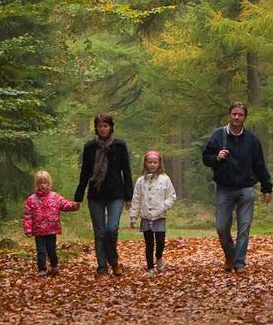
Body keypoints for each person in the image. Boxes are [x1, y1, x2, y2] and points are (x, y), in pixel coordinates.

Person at [201, 101, 272, 273]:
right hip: (224, 188)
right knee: (221, 227)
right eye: (234, 114)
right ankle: (230, 254)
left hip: (246, 188)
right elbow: (205, 158)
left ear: (245, 117)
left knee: (244, 227)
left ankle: (239, 263)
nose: (237, 117)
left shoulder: (252, 139)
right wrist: (216, 157)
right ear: (229, 115)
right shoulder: (218, 136)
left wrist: (267, 187)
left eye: (240, 115)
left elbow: (260, 164)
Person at [74, 113, 133, 275]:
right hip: (96, 193)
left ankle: (113, 261)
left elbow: (126, 172)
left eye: (105, 126)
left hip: (116, 193)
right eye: (100, 126)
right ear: (96, 128)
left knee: (111, 228)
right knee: (99, 231)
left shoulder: (120, 146)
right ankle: (102, 266)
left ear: (111, 127)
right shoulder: (90, 147)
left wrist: (129, 196)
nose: (103, 129)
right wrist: (78, 196)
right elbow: (85, 173)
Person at [22, 170, 79, 277]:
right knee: (41, 251)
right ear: (36, 184)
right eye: (40, 183)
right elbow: (27, 215)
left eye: (45, 183)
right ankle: (42, 269)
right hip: (38, 230)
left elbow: (64, 204)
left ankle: (54, 266)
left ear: (49, 183)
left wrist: (73, 206)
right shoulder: (31, 200)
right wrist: (28, 229)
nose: (42, 185)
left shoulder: (55, 197)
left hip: (51, 229)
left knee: (51, 250)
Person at [129, 150, 177, 275]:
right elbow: (136, 199)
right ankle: (150, 268)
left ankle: (159, 257)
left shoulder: (165, 179)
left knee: (160, 242)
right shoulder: (140, 181)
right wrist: (133, 216)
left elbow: (171, 196)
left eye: (155, 162)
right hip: (145, 216)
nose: (152, 165)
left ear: (159, 164)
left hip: (159, 216)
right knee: (149, 244)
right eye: (149, 162)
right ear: (145, 163)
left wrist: (163, 206)